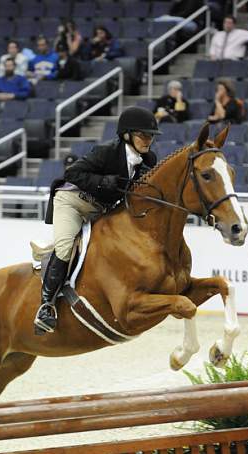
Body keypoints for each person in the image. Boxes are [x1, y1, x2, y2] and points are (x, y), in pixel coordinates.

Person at [34, 106, 161, 334]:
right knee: (64, 247)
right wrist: (105, 182)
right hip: (73, 202)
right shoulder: (106, 152)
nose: (148, 140)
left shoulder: (147, 161)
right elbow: (72, 173)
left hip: (99, 209)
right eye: (143, 135)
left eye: (151, 136)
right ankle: (46, 306)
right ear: (127, 135)